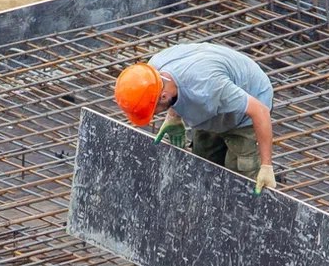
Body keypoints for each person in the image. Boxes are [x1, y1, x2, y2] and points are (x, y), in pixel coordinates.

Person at [113, 42, 278, 194]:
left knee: (241, 184)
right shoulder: (154, 70)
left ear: (163, 96)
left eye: (154, 111)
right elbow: (176, 87)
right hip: (212, 103)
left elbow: (260, 112)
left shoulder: (206, 87)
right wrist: (174, 116)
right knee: (204, 167)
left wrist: (266, 165)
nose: (155, 115)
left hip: (247, 109)